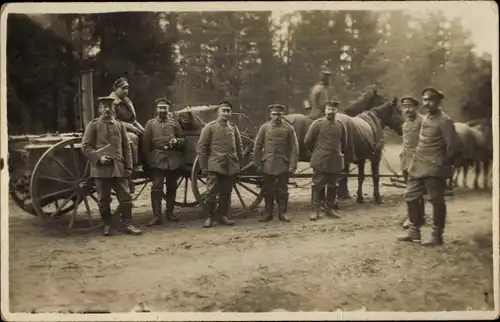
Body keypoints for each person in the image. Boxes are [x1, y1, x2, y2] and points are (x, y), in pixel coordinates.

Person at [397, 87, 461, 246]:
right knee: (410, 196)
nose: (426, 103)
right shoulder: (424, 119)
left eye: (430, 100)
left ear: (438, 102)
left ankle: (436, 235)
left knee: (436, 200)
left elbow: (454, 146)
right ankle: (414, 233)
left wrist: (442, 164)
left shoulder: (444, 121)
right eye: (424, 100)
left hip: (434, 168)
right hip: (418, 166)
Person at [81, 96, 143, 237]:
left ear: (113, 109)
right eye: (104, 107)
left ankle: (128, 224)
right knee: (103, 199)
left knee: (125, 197)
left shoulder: (119, 125)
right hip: (101, 170)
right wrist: (98, 158)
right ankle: (107, 225)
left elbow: (126, 146)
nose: (107, 110)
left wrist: (128, 166)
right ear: (100, 109)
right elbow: (85, 146)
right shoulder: (94, 125)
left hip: (118, 168)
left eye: (110, 107)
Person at [196, 100, 244, 228]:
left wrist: (239, 163)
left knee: (226, 192)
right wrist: (204, 167)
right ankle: (210, 217)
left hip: (230, 165)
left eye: (228, 111)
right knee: (211, 192)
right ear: (218, 112)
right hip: (215, 165)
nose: (226, 113)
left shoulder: (233, 128)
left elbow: (239, 147)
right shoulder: (209, 127)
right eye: (224, 110)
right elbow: (202, 147)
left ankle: (222, 215)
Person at [142, 98, 186, 226]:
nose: (162, 110)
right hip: (157, 158)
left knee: (172, 186)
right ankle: (157, 216)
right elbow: (146, 145)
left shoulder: (175, 123)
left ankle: (170, 213)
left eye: (165, 108)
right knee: (157, 187)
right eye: (160, 108)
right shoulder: (150, 124)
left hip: (173, 158)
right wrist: (149, 161)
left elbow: (183, 141)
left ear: (168, 109)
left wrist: (177, 142)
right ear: (156, 109)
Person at [253, 104, 299, 223]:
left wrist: (292, 165)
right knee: (268, 190)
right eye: (274, 114)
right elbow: (257, 146)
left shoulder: (289, 128)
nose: (276, 117)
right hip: (268, 164)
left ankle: (282, 213)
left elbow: (294, 147)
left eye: (279, 114)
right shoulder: (264, 128)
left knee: (282, 190)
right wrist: (257, 163)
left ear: (282, 115)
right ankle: (268, 213)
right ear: (270, 115)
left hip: (283, 164)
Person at [304, 100, 347, 221]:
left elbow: (345, 143)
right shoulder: (317, 124)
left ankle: (329, 209)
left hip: (335, 161)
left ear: (336, 111)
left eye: (333, 110)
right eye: (329, 109)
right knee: (318, 185)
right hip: (320, 161)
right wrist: (317, 152)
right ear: (325, 110)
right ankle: (315, 210)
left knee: (333, 186)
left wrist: (338, 153)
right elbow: (307, 141)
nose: (330, 112)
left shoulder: (340, 125)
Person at [399, 96, 427, 230]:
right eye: (405, 107)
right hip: (406, 161)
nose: (407, 109)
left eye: (410, 107)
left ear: (416, 107)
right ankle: (419, 217)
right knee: (413, 191)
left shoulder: (422, 121)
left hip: (418, 161)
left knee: (412, 192)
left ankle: (413, 219)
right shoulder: (405, 124)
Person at [109, 77, 145, 171]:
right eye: (123, 88)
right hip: (115, 129)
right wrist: (131, 127)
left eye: (127, 88)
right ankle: (134, 165)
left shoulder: (127, 101)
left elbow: (134, 120)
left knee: (146, 136)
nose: (126, 91)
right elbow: (112, 121)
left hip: (130, 127)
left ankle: (146, 164)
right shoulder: (111, 102)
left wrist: (142, 129)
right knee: (133, 137)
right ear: (116, 89)